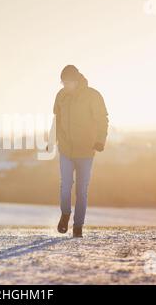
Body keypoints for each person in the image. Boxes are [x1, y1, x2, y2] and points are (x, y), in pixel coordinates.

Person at [47, 65, 109, 238]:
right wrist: (51, 141)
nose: (65, 86)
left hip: (86, 150)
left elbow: (102, 120)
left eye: (68, 82)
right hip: (66, 149)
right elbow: (56, 120)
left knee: (82, 190)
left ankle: (78, 226)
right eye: (63, 82)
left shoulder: (93, 96)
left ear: (76, 80)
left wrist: (100, 141)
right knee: (65, 185)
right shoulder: (61, 96)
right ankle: (65, 214)